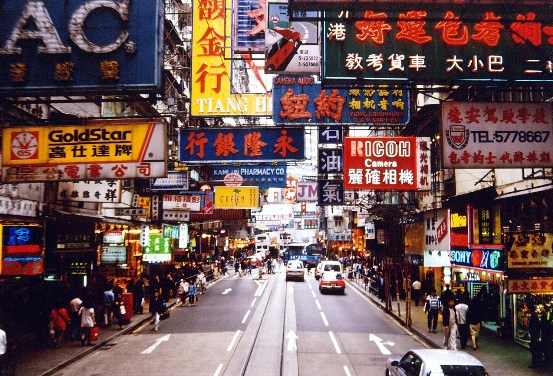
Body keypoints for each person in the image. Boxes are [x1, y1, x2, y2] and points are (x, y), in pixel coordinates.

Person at [528, 304, 549, 368]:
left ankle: (536, 363)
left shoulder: (535, 316)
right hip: (538, 335)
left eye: (542, 308)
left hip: (537, 335)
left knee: (535, 349)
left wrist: (535, 335)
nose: (541, 309)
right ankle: (538, 362)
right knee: (537, 349)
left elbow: (536, 326)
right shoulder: (537, 316)